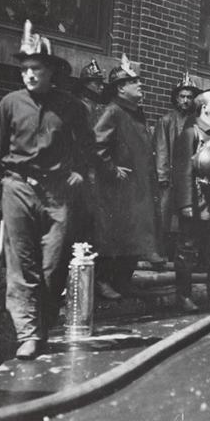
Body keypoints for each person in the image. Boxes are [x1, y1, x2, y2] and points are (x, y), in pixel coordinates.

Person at [0, 20, 90, 360]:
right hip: (18, 187)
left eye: (37, 69)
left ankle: (42, 325)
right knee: (22, 264)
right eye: (25, 69)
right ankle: (29, 334)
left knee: (53, 264)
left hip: (57, 192)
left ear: (51, 72)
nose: (30, 75)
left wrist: (80, 172)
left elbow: (87, 145)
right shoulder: (9, 104)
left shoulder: (71, 106)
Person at [93, 54, 165, 298]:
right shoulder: (112, 112)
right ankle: (102, 280)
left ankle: (123, 280)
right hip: (117, 189)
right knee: (114, 236)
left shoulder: (135, 112)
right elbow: (96, 145)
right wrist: (112, 170)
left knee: (135, 236)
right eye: (134, 82)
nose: (140, 84)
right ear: (121, 88)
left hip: (138, 187)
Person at [173, 90, 210, 312]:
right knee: (187, 250)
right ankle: (183, 296)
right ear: (204, 107)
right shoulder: (191, 133)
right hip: (197, 203)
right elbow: (183, 171)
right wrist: (186, 204)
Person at [71, 59, 121, 299]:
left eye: (101, 82)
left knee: (102, 229)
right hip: (83, 175)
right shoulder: (78, 108)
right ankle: (82, 281)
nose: (100, 86)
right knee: (84, 229)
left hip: (101, 176)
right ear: (85, 84)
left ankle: (100, 279)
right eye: (94, 82)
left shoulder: (102, 109)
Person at [155, 72, 199, 259]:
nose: (186, 101)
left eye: (189, 97)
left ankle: (184, 253)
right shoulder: (166, 120)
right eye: (182, 96)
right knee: (165, 215)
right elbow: (162, 148)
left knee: (188, 217)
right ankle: (162, 251)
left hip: (190, 176)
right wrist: (163, 176)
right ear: (176, 98)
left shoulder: (197, 121)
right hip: (171, 176)